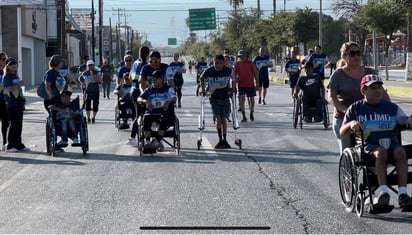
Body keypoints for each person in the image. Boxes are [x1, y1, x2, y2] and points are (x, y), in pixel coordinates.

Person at [340, 74, 412, 209]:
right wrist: (351, 124)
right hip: (368, 146)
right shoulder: (355, 108)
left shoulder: (391, 108)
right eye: (373, 88)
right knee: (381, 152)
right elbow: (342, 131)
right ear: (363, 91)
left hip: (392, 144)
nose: (378, 90)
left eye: (380, 87)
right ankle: (384, 192)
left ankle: (403, 194)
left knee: (401, 152)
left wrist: (409, 120)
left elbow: (405, 119)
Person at [328, 41, 390, 155]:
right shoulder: (338, 74)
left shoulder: (369, 72)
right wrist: (347, 111)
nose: (356, 56)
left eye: (358, 53)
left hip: (368, 119)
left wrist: (390, 109)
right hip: (344, 119)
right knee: (348, 153)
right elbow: (332, 97)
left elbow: (382, 93)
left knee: (374, 152)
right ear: (344, 56)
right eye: (352, 54)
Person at [138, 70, 176, 152]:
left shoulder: (168, 89)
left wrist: (168, 101)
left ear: (161, 79)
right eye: (152, 78)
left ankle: (157, 140)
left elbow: (174, 97)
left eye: (156, 78)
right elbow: (139, 98)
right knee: (146, 118)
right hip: (151, 111)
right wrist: (146, 101)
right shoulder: (149, 90)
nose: (153, 80)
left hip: (164, 111)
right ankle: (147, 141)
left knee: (165, 117)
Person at [200, 54, 233, 149]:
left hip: (225, 98)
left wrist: (232, 89)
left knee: (224, 119)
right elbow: (201, 78)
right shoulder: (209, 71)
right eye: (216, 63)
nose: (218, 65)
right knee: (218, 119)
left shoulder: (228, 70)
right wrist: (203, 90)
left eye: (220, 63)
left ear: (223, 63)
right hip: (214, 98)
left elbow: (234, 78)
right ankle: (220, 140)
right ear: (213, 62)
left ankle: (225, 140)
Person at [126, 46, 150, 147]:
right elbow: (146, 81)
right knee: (142, 115)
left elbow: (130, 78)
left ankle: (143, 137)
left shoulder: (135, 63)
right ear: (147, 54)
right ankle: (133, 138)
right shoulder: (145, 65)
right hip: (140, 92)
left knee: (139, 115)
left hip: (132, 90)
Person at [2, 58, 28, 152]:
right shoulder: (8, 77)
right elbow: (10, 88)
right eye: (11, 65)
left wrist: (23, 101)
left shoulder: (15, 76)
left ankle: (18, 144)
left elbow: (19, 91)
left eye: (15, 64)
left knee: (19, 125)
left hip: (18, 103)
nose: (14, 66)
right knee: (13, 124)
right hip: (11, 104)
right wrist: (20, 84)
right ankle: (10, 145)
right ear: (8, 66)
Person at [234, 50, 258, 122]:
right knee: (242, 99)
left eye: (242, 56)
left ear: (246, 56)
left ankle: (251, 112)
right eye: (240, 56)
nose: (241, 58)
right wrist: (234, 84)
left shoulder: (251, 63)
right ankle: (244, 115)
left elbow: (255, 73)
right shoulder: (237, 64)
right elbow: (234, 74)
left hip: (250, 84)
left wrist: (257, 82)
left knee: (251, 99)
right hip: (241, 84)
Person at [0, 51, 8, 151]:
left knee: (5, 123)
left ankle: (5, 142)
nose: (5, 61)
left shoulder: (7, 72)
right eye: (3, 59)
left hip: (6, 101)